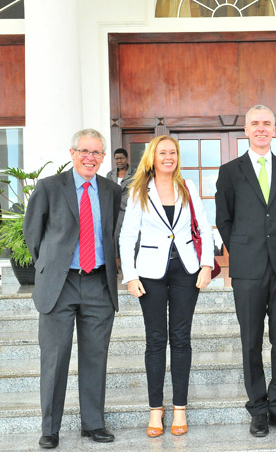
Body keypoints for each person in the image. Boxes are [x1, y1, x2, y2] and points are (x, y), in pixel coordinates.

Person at [23, 129, 122, 449]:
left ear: (104, 158)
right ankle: (50, 428)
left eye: (97, 153)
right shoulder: (50, 187)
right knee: (54, 359)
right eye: (85, 151)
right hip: (60, 284)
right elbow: (33, 234)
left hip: (98, 283)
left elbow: (113, 233)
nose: (90, 158)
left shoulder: (111, 189)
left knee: (95, 357)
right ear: (72, 152)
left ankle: (93, 424)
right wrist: (52, 267)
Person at [119, 135, 214, 438]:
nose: (168, 157)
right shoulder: (139, 190)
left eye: (172, 152)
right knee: (156, 340)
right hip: (150, 273)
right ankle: (156, 410)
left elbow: (205, 226)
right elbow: (127, 235)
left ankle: (181, 408)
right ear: (152, 157)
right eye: (163, 153)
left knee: (182, 339)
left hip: (186, 270)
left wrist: (207, 265)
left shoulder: (188, 187)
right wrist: (130, 275)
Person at [215, 105, 276, 437]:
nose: (261, 128)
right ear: (246, 130)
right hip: (248, 268)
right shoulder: (230, 171)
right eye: (255, 124)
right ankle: (258, 409)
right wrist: (243, 252)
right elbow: (224, 219)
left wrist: (274, 245)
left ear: (274, 130)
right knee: (250, 340)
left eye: (267, 123)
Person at [106, 148, 135, 266]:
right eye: (116, 159)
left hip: (129, 208)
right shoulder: (110, 174)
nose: (119, 161)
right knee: (115, 235)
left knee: (130, 235)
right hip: (114, 209)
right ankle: (117, 263)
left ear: (126, 159)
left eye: (121, 158)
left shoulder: (135, 173)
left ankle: (132, 263)